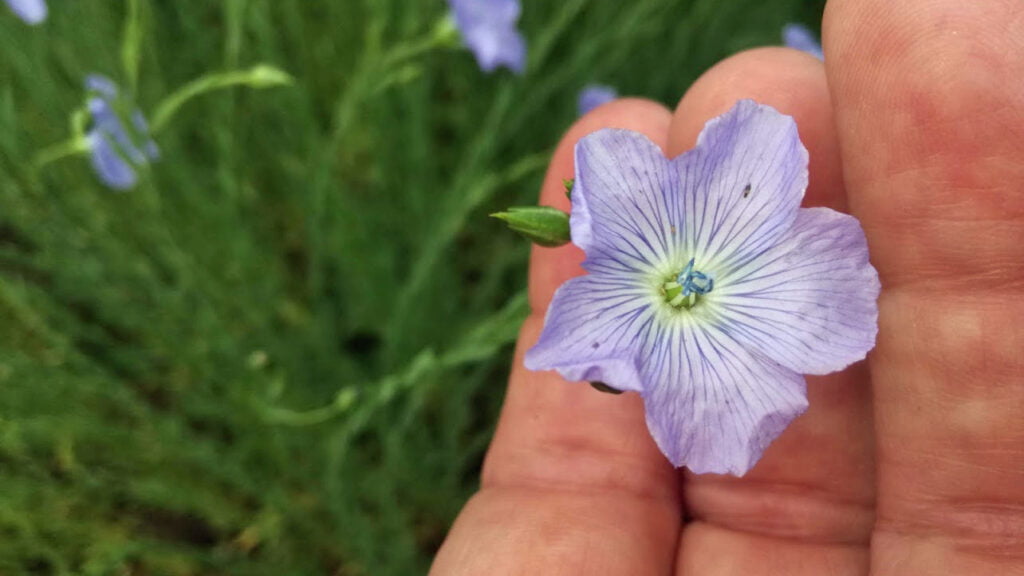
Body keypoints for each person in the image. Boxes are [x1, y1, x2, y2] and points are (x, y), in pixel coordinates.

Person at [431, 0, 1024, 573]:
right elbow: (604, 226)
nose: (685, 288)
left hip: (704, 308)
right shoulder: (607, 221)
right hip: (654, 292)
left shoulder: (740, 202)